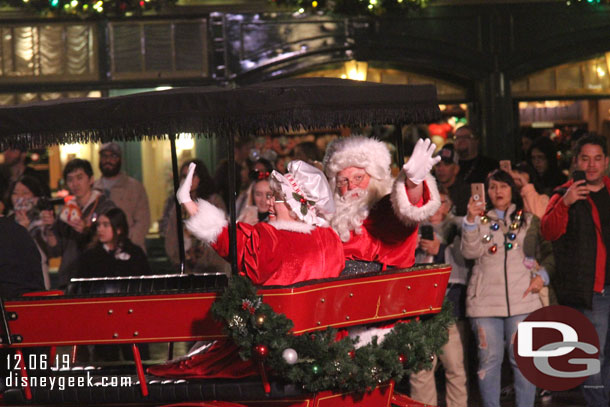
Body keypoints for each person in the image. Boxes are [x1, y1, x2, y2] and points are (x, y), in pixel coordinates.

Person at [179, 159, 344, 285]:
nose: (270, 202)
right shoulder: (330, 239)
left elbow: (228, 239)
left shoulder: (269, 239)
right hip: (324, 327)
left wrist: (188, 203)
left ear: (295, 207)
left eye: (277, 198)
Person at [462, 169, 548, 407]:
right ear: (486, 191)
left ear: (513, 190)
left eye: (503, 186)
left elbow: (546, 246)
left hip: (523, 300)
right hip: (485, 304)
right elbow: (469, 252)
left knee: (523, 361)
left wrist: (542, 276)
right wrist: (469, 220)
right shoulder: (478, 220)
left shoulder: (527, 219)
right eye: (493, 187)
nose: (498, 191)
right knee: (489, 360)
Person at [540, 134, 610, 407]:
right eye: (585, 158)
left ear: (605, 161)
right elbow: (549, 230)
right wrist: (566, 203)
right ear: (575, 161)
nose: (591, 165)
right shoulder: (563, 194)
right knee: (593, 356)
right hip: (592, 291)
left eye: (597, 158)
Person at [322, 136, 441, 270]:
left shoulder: (386, 208)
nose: (351, 186)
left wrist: (413, 183)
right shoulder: (330, 218)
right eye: (343, 181)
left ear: (374, 177)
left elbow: (408, 207)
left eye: (358, 178)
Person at [409, 186, 469, 407]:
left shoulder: (458, 227)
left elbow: (465, 261)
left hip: (448, 308)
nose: (436, 206)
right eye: (431, 201)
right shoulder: (413, 230)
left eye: (441, 201)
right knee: (421, 369)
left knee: (454, 367)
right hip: (421, 308)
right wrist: (416, 248)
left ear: (449, 205)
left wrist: (441, 250)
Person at [43, 158, 115, 288]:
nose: (75, 183)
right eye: (70, 179)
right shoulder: (66, 211)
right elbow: (55, 251)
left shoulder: (105, 206)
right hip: (69, 277)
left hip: (97, 276)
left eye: (79, 177)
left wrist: (87, 231)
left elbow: (112, 240)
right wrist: (50, 229)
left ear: (91, 179)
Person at [162, 159, 229, 275]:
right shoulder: (178, 205)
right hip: (185, 269)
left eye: (191, 176)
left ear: (200, 178)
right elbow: (171, 237)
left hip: (212, 268)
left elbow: (219, 236)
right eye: (184, 176)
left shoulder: (214, 202)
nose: (187, 180)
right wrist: (180, 259)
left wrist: (202, 260)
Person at [94, 142, 150, 252]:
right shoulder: (93, 189)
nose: (108, 160)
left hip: (130, 252)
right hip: (100, 254)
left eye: (113, 156)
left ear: (120, 159)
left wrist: (123, 244)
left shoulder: (135, 187)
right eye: (104, 156)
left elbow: (143, 223)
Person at [6, 175, 53, 289]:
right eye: (15, 193)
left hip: (38, 275)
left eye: (25, 193)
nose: (20, 198)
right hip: (12, 278)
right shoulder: (6, 222)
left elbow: (50, 250)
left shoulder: (43, 220)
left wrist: (49, 228)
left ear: (35, 197)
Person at [78, 207, 152, 278]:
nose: (100, 229)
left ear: (118, 229)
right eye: (98, 225)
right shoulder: (90, 256)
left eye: (105, 225)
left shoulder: (135, 253)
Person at [433, 144, 470, 216]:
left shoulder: (466, 193)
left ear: (456, 169)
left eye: (446, 164)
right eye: (438, 165)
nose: (441, 169)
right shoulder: (430, 190)